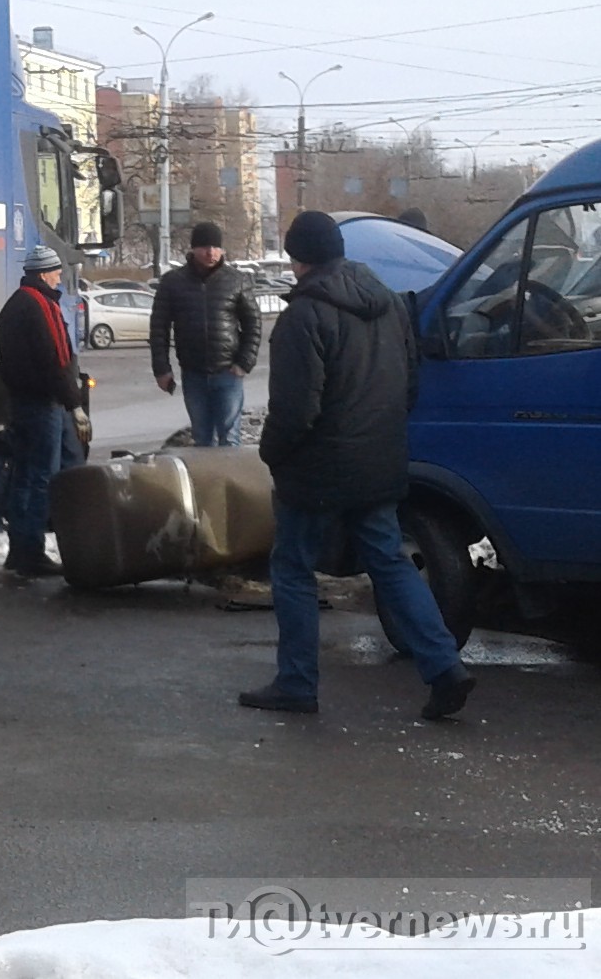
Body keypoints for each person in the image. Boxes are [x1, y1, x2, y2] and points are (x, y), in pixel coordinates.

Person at [240, 211, 475, 720]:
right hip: (378, 461)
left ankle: (297, 682)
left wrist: (271, 453)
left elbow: (296, 411)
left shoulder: (303, 317)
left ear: (297, 258)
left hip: (318, 471)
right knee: (390, 565)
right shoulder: (389, 304)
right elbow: (409, 386)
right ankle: (444, 666)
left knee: (293, 568)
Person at [0, 245, 89, 577]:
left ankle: (18, 548)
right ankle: (31, 552)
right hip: (43, 404)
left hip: (21, 401)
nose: (59, 277)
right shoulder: (41, 306)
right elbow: (57, 360)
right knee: (41, 478)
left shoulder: (14, 305)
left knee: (23, 474)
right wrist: (74, 403)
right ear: (43, 274)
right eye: (56, 272)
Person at [150, 221, 262, 447]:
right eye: (203, 247)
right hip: (193, 372)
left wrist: (244, 362)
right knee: (202, 438)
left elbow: (253, 324)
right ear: (192, 249)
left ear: (222, 250)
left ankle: (229, 482)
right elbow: (159, 328)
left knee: (230, 439)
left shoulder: (236, 280)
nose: (210, 252)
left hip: (228, 372)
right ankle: (207, 482)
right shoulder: (174, 282)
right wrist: (162, 369)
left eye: (215, 247)